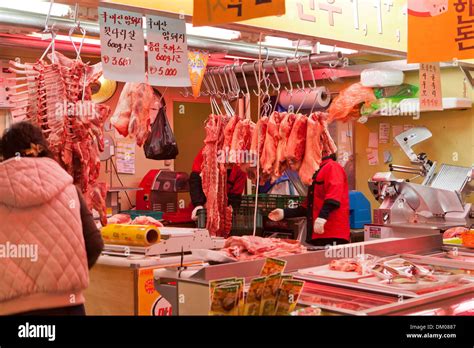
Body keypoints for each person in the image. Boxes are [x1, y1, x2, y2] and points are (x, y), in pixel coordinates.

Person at [0, 122, 104, 315]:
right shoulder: (70, 191)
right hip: (67, 307)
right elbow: (95, 244)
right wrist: (66, 278)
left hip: (10, 309)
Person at [268, 153, 350, 246]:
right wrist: (284, 213)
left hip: (333, 235)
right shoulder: (317, 171)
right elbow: (306, 207)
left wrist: (322, 218)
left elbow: (334, 197)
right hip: (318, 235)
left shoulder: (332, 167)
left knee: (332, 260)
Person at [189, 147, 247, 220]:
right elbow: (195, 180)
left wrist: (230, 215)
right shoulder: (206, 153)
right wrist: (198, 204)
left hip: (223, 212)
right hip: (202, 209)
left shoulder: (240, 169)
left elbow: (235, 197)